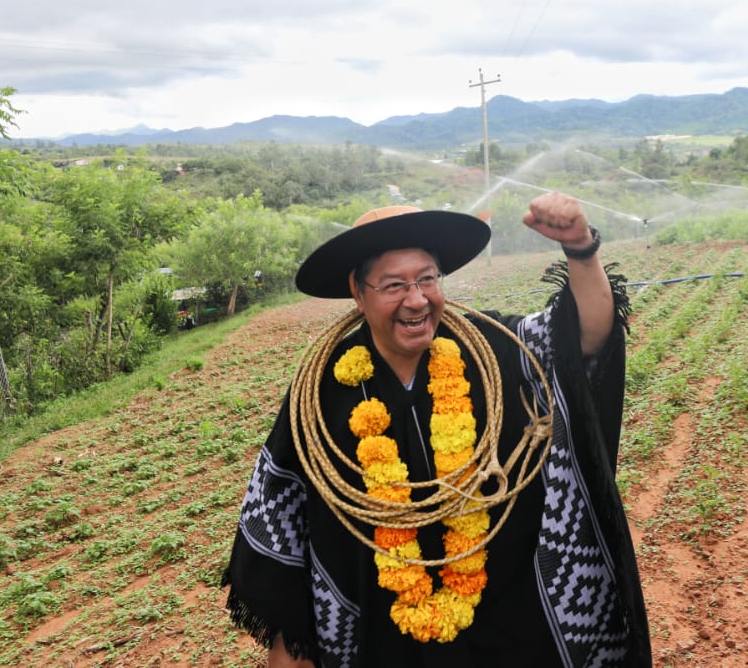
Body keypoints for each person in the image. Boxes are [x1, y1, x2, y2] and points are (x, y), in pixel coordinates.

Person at [221, 192, 651, 667]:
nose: (417, 299)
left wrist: (580, 249)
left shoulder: (495, 351)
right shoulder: (322, 394)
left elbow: (584, 338)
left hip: (508, 621)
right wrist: (293, 644)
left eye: (428, 278)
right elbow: (287, 524)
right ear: (358, 292)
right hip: (383, 635)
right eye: (394, 285)